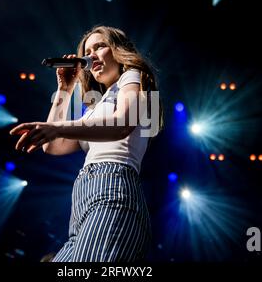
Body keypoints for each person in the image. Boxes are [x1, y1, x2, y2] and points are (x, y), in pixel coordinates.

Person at [10, 25, 163, 262]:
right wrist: (65, 88)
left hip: (113, 189)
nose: (90, 55)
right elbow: (53, 146)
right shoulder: (95, 108)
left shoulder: (131, 76)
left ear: (118, 51)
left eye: (100, 46)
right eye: (87, 50)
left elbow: (121, 123)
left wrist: (56, 128)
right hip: (83, 203)